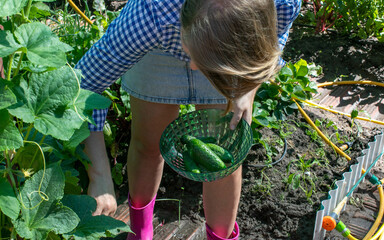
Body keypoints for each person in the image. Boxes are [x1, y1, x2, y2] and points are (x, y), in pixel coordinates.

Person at [76, 0, 301, 239]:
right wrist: (99, 176)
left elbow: (274, 36)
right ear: (181, 29)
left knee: (223, 156)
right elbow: (85, 87)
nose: (193, 66)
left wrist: (248, 88)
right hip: (156, 45)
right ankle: (140, 231)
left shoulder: (283, 3)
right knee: (149, 144)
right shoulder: (151, 14)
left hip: (225, 38)